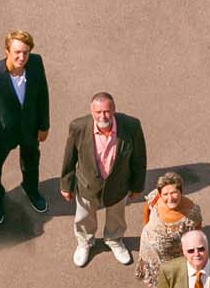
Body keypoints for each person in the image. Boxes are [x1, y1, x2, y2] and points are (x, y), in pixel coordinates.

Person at [59, 92, 147, 268]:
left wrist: (137, 186)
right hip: (87, 184)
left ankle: (114, 240)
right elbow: (70, 157)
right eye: (98, 112)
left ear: (114, 109)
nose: (103, 116)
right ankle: (85, 242)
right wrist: (66, 185)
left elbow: (139, 158)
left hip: (118, 185)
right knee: (84, 217)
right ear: (91, 112)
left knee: (117, 217)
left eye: (107, 111)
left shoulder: (131, 126)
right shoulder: (78, 127)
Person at [0, 29, 50, 223]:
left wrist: (44, 125)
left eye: (25, 52)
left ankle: (30, 188)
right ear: (7, 51)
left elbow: (42, 95)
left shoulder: (36, 63)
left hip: (29, 129)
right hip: (2, 133)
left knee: (31, 160)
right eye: (17, 52)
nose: (22, 57)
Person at [136, 170, 203, 288]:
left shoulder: (192, 213)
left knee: (173, 284)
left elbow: (197, 235)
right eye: (165, 194)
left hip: (173, 258)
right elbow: (146, 208)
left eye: (173, 193)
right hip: (150, 252)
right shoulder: (155, 197)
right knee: (158, 283)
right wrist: (145, 227)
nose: (170, 198)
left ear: (180, 191)